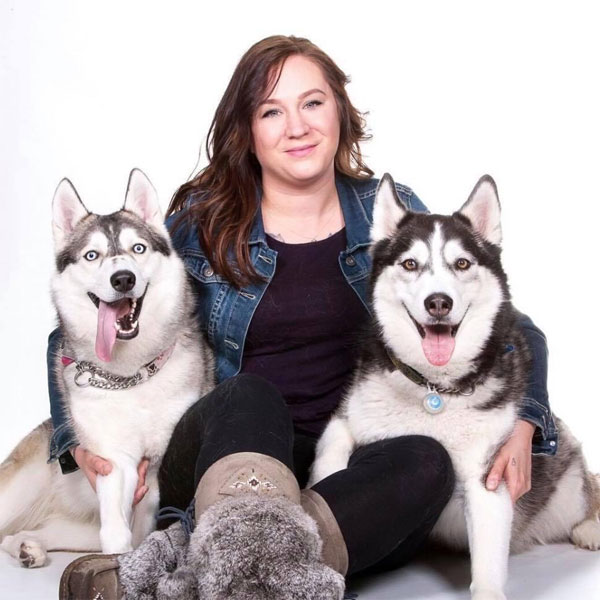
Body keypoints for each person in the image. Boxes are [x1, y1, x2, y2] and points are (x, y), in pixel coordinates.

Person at [50, 35, 557, 597]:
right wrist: (75, 440)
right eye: (272, 111)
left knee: (428, 461)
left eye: (313, 103)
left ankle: (195, 561)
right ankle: (256, 559)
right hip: (226, 451)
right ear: (248, 130)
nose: (297, 126)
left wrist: (526, 421)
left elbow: (508, 322)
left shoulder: (386, 212)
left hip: (345, 474)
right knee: (249, 393)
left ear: (339, 109)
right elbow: (73, 329)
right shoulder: (202, 225)